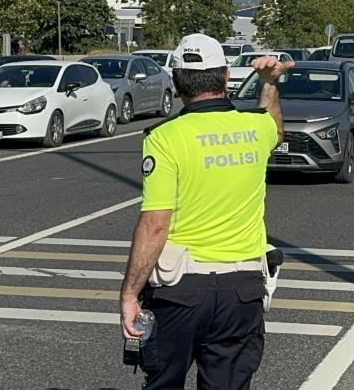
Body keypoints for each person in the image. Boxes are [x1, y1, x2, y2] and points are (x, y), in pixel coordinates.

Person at [120, 33, 293, 390]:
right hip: (241, 290)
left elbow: (155, 225)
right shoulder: (254, 127)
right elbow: (276, 128)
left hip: (179, 290)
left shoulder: (165, 137)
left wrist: (129, 294)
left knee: (164, 382)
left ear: (176, 81)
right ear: (226, 77)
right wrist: (269, 83)